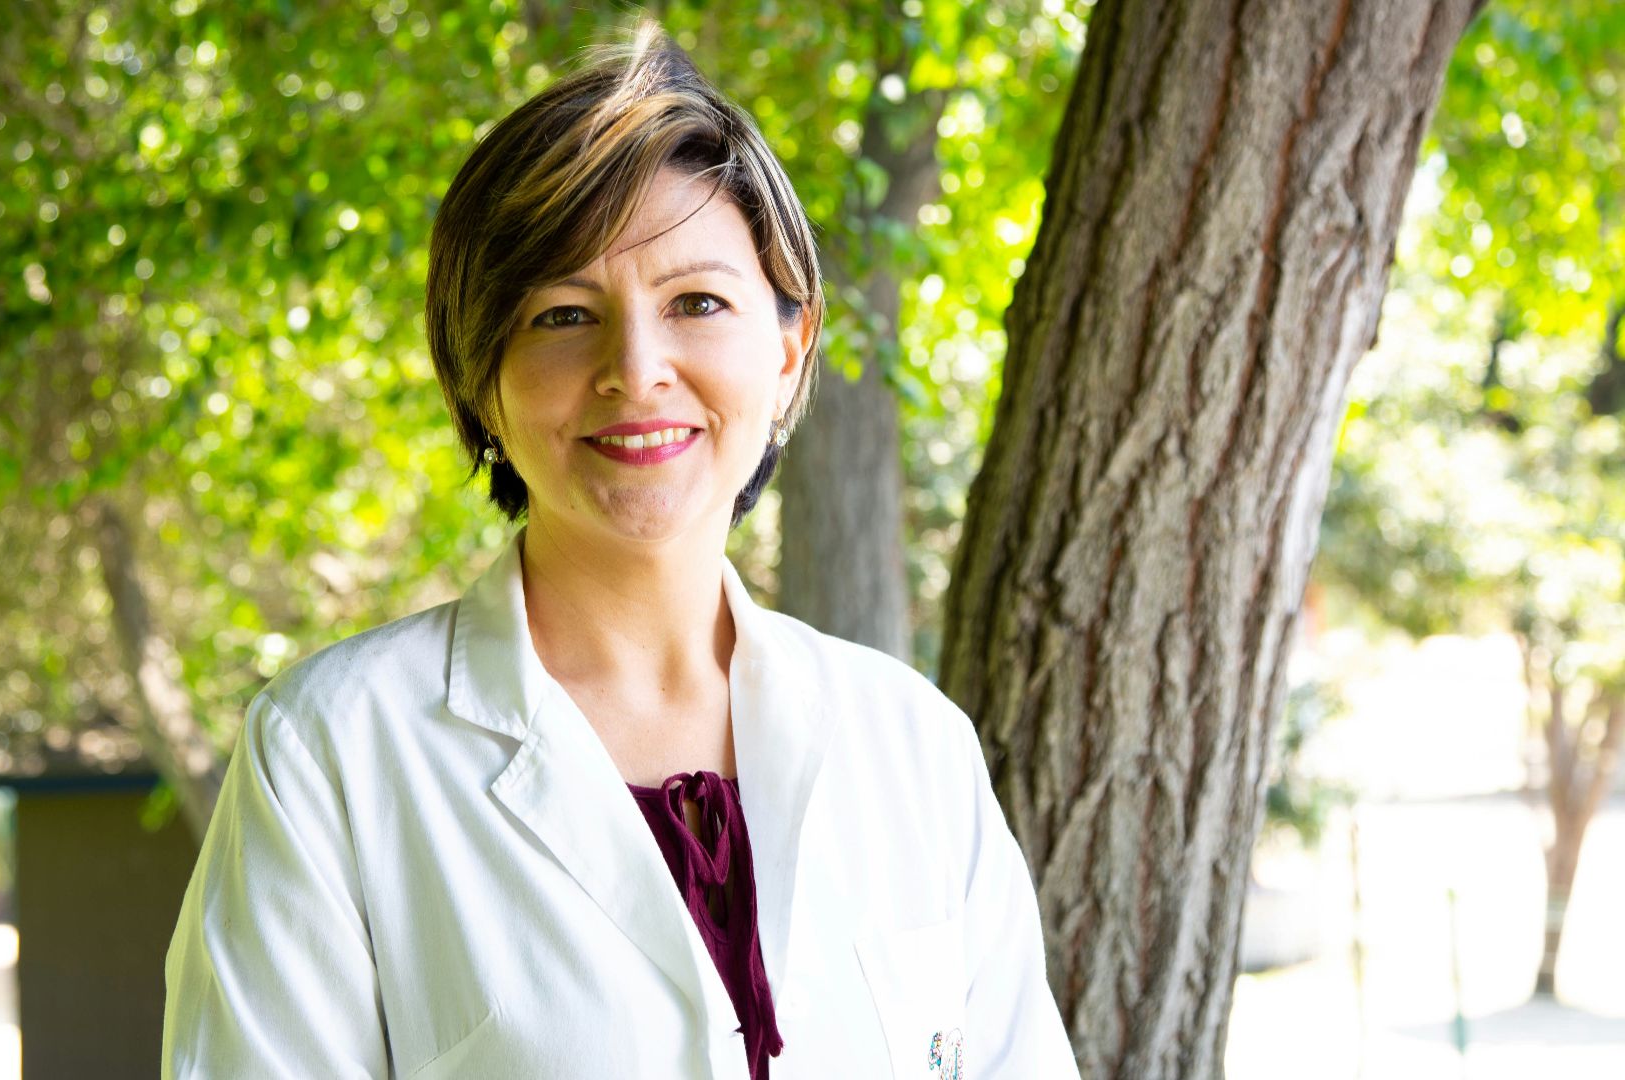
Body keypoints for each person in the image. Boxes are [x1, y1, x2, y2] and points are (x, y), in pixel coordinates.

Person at [162, 21, 1077, 1080]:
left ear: (788, 353)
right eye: (561, 314)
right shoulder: (331, 755)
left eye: (697, 302)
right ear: (481, 381)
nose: (635, 369)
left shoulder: (914, 747)